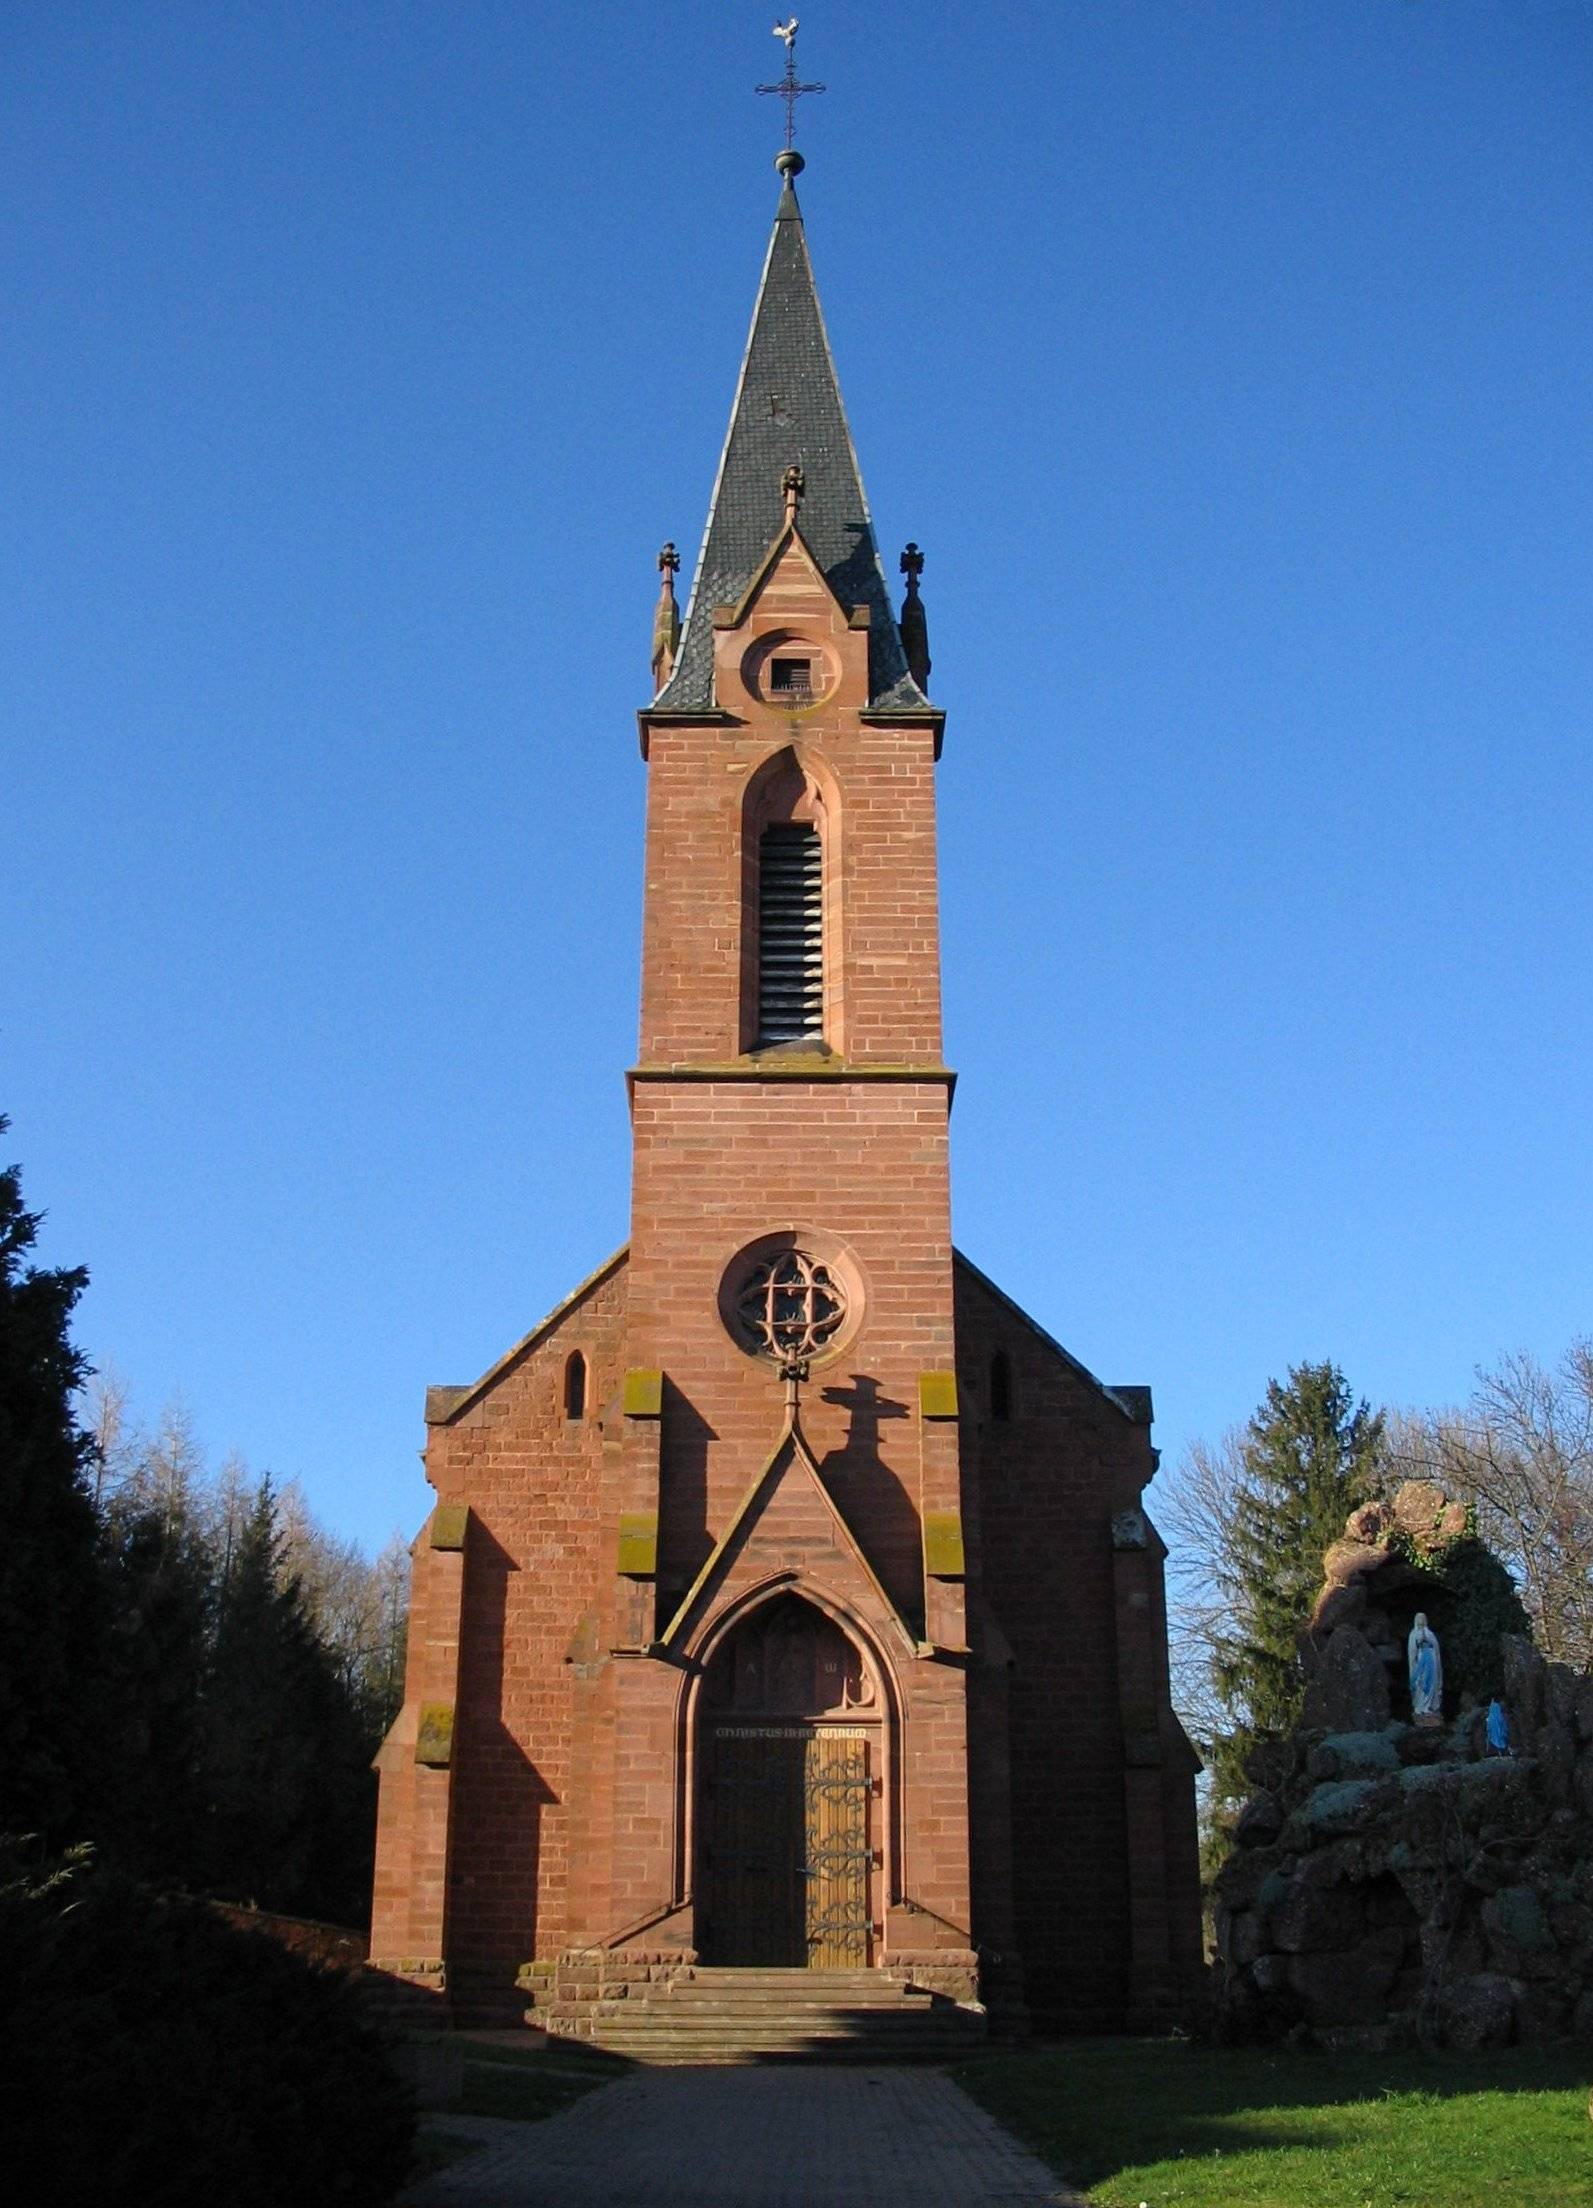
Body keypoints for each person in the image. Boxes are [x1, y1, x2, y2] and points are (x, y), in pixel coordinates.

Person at [1408, 1611, 1443, 1723]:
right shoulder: (1413, 1634)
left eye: (1423, 1618)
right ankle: (1421, 1706)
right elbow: (1412, 1651)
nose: (1421, 1620)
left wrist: (1428, 1640)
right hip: (1421, 1661)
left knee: (1431, 1682)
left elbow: (1436, 1649)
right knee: (1421, 1682)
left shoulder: (1430, 1633)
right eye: (1419, 1618)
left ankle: (1429, 1706)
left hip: (1431, 1660)